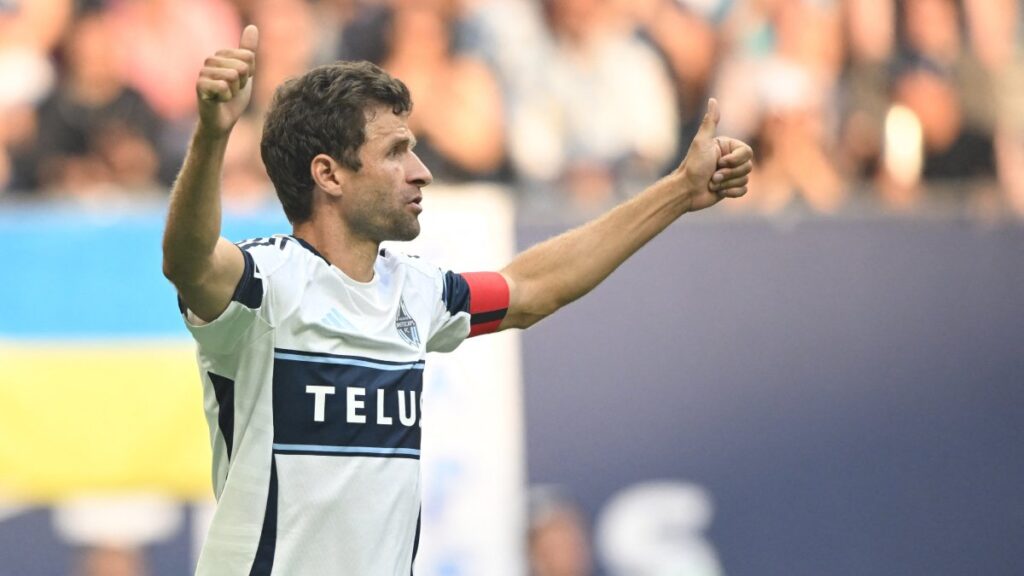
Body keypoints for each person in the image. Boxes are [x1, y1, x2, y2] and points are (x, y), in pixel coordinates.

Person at [161, 25, 752, 576]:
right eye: (395, 152)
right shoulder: (265, 284)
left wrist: (678, 192)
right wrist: (213, 134)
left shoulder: (415, 292)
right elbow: (188, 259)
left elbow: (531, 289)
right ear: (329, 174)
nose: (421, 172)